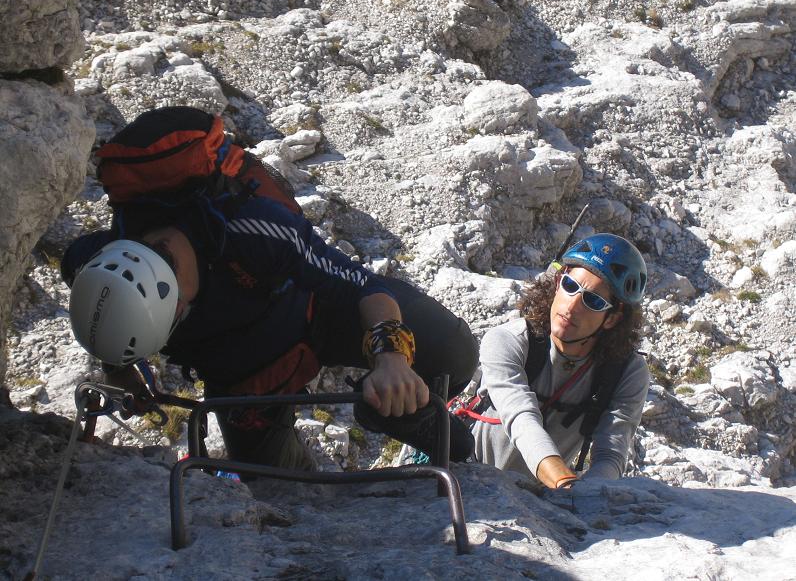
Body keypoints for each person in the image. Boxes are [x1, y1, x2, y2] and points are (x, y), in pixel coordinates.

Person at [61, 172, 478, 470]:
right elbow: (101, 309)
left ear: (177, 307)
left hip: (323, 312)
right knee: (278, 487)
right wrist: (121, 371)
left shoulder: (253, 231)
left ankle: (394, 418)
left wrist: (391, 360)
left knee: (452, 350)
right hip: (246, 371)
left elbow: (364, 289)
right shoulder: (90, 265)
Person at [470, 233, 650, 489]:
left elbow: (611, 452)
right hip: (469, 478)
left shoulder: (626, 372)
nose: (572, 306)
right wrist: (564, 482)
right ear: (557, 283)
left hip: (541, 497)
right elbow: (521, 419)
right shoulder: (508, 341)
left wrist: (590, 494)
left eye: (593, 300)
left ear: (612, 319)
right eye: (570, 285)